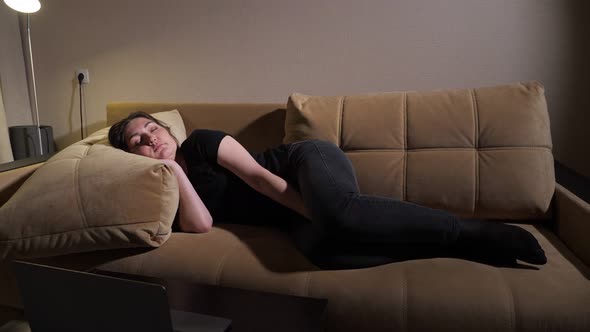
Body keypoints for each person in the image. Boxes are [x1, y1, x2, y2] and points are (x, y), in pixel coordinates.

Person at [108, 111, 547, 268]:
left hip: (301, 165)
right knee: (329, 253)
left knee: (340, 218)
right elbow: (201, 225)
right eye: (139, 142)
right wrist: (173, 171)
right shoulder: (167, 186)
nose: (151, 139)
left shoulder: (202, 141)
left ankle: (472, 232)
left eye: (152, 128)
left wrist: (320, 215)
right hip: (282, 212)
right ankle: (452, 249)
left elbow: (262, 179)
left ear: (166, 127)